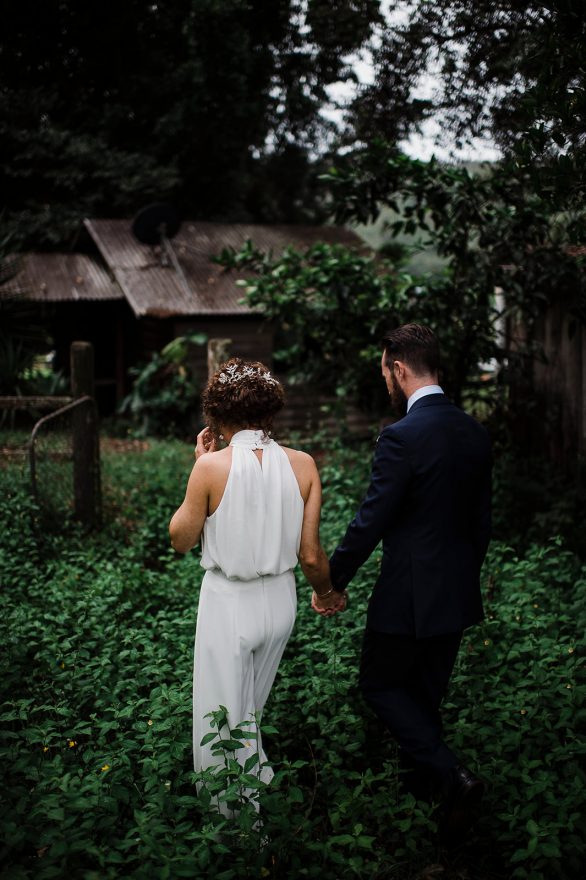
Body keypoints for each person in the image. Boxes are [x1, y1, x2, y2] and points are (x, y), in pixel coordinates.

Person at [314, 323, 492, 839]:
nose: (386, 382)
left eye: (384, 371)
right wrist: (462, 576)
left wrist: (331, 582)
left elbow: (372, 519)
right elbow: (482, 523)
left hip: (408, 593)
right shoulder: (474, 431)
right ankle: (434, 812)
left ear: (398, 367)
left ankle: (454, 779)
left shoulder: (401, 436)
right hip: (457, 591)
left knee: (379, 682)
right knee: (423, 699)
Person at [169, 358, 339, 813]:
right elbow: (310, 554)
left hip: (229, 603)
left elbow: (180, 540)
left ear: (217, 414)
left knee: (221, 719)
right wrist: (327, 593)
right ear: (269, 411)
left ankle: (234, 823)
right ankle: (255, 784)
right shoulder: (303, 465)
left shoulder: (210, 468)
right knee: (249, 712)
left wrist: (199, 468)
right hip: (281, 604)